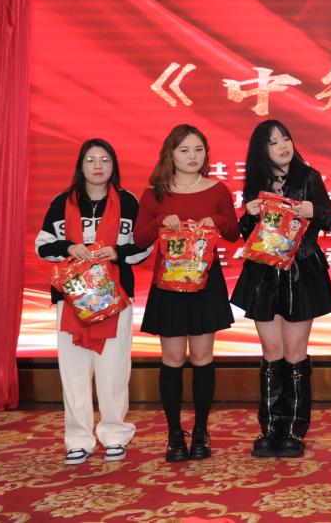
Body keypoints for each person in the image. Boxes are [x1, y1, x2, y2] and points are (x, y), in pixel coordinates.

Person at [231, 119, 331, 458]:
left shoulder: (308, 177)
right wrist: (248, 213)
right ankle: (269, 429)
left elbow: (330, 219)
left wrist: (313, 210)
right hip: (264, 276)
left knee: (295, 352)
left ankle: (294, 428)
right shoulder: (256, 183)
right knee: (271, 351)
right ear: (262, 150)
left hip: (300, 275)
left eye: (286, 139)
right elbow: (245, 233)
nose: (283, 146)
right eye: (274, 142)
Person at [34, 138, 146, 465]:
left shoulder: (128, 202)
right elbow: (42, 246)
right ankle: (78, 439)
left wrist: (117, 252)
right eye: (91, 160)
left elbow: (145, 246)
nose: (98, 166)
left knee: (113, 370)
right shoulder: (61, 202)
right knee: (73, 372)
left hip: (116, 297)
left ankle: (115, 435)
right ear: (80, 166)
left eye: (105, 160)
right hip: (71, 299)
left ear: (114, 165)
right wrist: (69, 247)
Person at [133, 124, 240, 463]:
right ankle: (174, 434)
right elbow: (138, 238)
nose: (193, 156)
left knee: (203, 358)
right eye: (184, 150)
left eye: (198, 149)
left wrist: (215, 221)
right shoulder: (155, 193)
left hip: (206, 283)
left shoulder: (217, 189)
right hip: (169, 285)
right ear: (170, 154)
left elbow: (234, 233)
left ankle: (201, 431)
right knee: (173, 359)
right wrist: (161, 222)